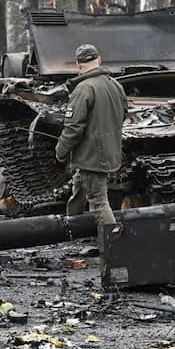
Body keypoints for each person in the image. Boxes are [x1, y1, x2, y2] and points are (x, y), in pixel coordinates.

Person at [54, 43, 127, 226]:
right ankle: (73, 230)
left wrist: (60, 151)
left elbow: (73, 128)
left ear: (78, 65)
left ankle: (113, 245)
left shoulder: (84, 89)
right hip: (109, 152)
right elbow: (123, 114)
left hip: (92, 156)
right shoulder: (116, 85)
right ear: (99, 60)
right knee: (79, 191)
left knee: (99, 202)